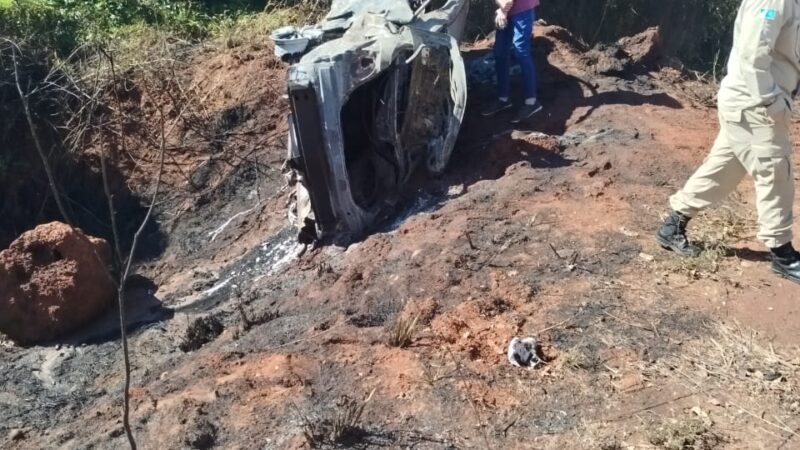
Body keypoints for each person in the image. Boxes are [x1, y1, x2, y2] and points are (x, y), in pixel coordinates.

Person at [656, 0, 800, 283]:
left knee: (725, 167)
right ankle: (782, 254)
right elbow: (752, 53)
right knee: (775, 172)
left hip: (751, 102)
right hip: (754, 104)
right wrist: (771, 102)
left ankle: (673, 225)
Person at [481, 0, 542, 123]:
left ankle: (531, 102)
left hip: (522, 8)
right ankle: (503, 99)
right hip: (507, 8)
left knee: (521, 51)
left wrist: (503, 10)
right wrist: (501, 7)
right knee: (500, 52)